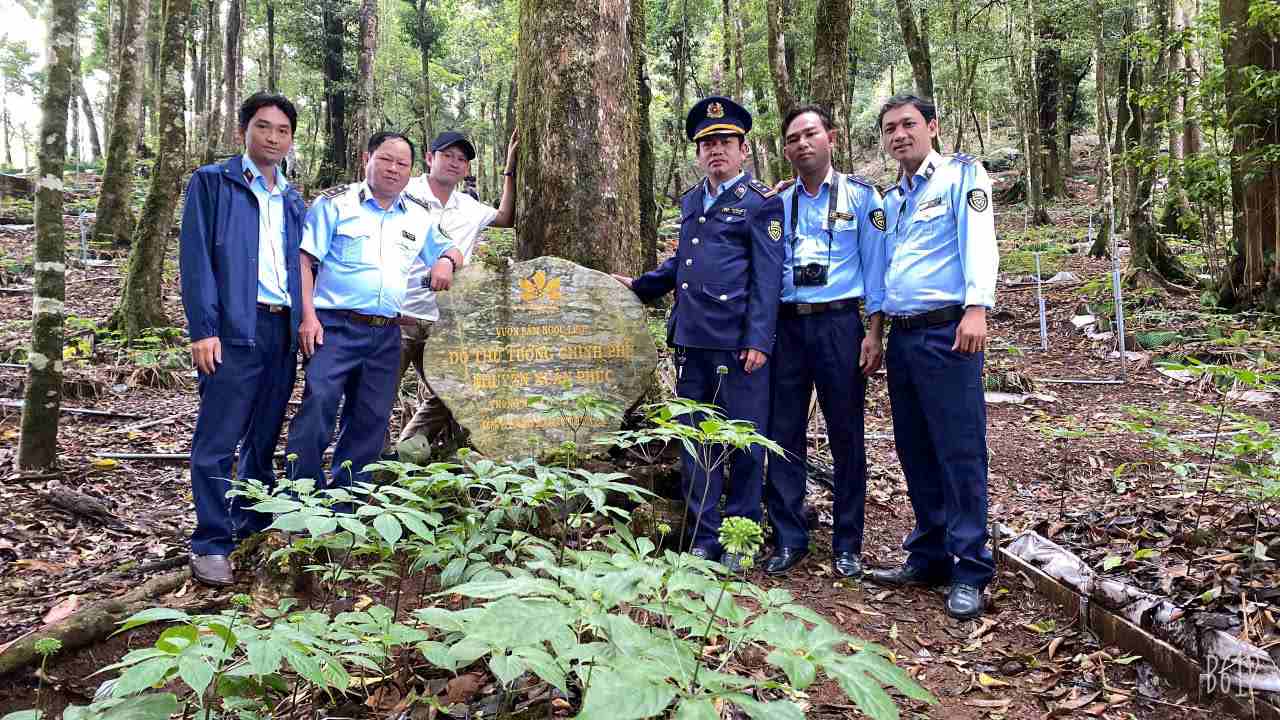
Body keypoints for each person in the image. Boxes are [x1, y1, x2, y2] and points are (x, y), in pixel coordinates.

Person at [613, 96, 785, 571]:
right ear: (697, 151)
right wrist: (642, 286)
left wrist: (758, 340)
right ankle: (705, 535)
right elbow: (681, 264)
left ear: (743, 149)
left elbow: (768, 278)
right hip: (691, 341)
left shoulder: (761, 204)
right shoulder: (692, 199)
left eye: (725, 142)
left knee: (745, 442)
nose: (716, 151)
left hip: (737, 344)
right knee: (695, 442)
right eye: (707, 143)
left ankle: (740, 537)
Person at [868, 94, 998, 620]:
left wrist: (976, 309)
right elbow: (884, 270)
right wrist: (875, 330)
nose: (899, 134)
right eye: (890, 128)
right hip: (903, 336)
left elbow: (979, 241)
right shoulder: (893, 199)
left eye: (908, 125)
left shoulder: (961, 177)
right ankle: (929, 553)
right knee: (914, 447)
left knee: (959, 451)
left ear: (932, 127)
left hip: (949, 331)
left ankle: (970, 565)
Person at [285, 132, 460, 493]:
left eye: (402, 163)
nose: (393, 169)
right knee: (319, 406)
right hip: (333, 326)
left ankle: (349, 500)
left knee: (371, 417)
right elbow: (305, 261)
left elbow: (451, 250)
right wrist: (308, 317)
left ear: (412, 169)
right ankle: (300, 497)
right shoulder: (336, 204)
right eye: (385, 159)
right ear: (367, 158)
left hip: (385, 333)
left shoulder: (417, 214)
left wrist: (444, 260)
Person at [180, 92, 306, 587]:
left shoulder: (294, 200)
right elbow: (196, 261)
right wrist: (203, 329)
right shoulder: (213, 183)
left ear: (291, 139)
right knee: (218, 437)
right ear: (244, 131)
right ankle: (211, 539)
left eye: (282, 130)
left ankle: (251, 518)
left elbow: (304, 267)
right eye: (263, 127)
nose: (273, 137)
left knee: (264, 433)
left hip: (281, 328)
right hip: (233, 327)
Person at [762, 104, 886, 578]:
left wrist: (874, 331)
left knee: (846, 434)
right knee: (784, 431)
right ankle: (789, 537)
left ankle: (847, 544)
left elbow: (875, 268)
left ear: (830, 138)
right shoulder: (779, 202)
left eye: (810, 134)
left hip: (840, 324)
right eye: (793, 138)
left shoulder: (861, 198)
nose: (802, 144)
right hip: (789, 325)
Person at [395, 131, 517, 459]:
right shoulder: (403, 193)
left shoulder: (469, 207)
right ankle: (367, 468)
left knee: (454, 393)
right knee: (377, 397)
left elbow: (505, 219)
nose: (454, 162)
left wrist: (509, 172)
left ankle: (404, 455)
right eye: (447, 155)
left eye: (462, 159)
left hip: (444, 322)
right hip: (397, 315)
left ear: (466, 170)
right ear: (429, 157)